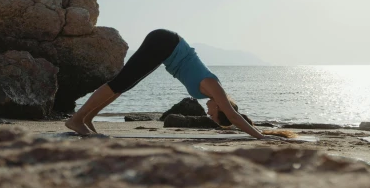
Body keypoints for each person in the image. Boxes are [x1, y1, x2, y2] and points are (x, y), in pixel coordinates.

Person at [65, 29, 273, 139]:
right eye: (214, 116)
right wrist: (260, 136)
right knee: (120, 83)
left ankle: (88, 118)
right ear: (221, 108)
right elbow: (235, 117)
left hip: (165, 50)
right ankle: (76, 119)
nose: (209, 115)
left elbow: (233, 117)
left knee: (124, 85)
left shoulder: (206, 94)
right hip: (165, 44)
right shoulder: (214, 87)